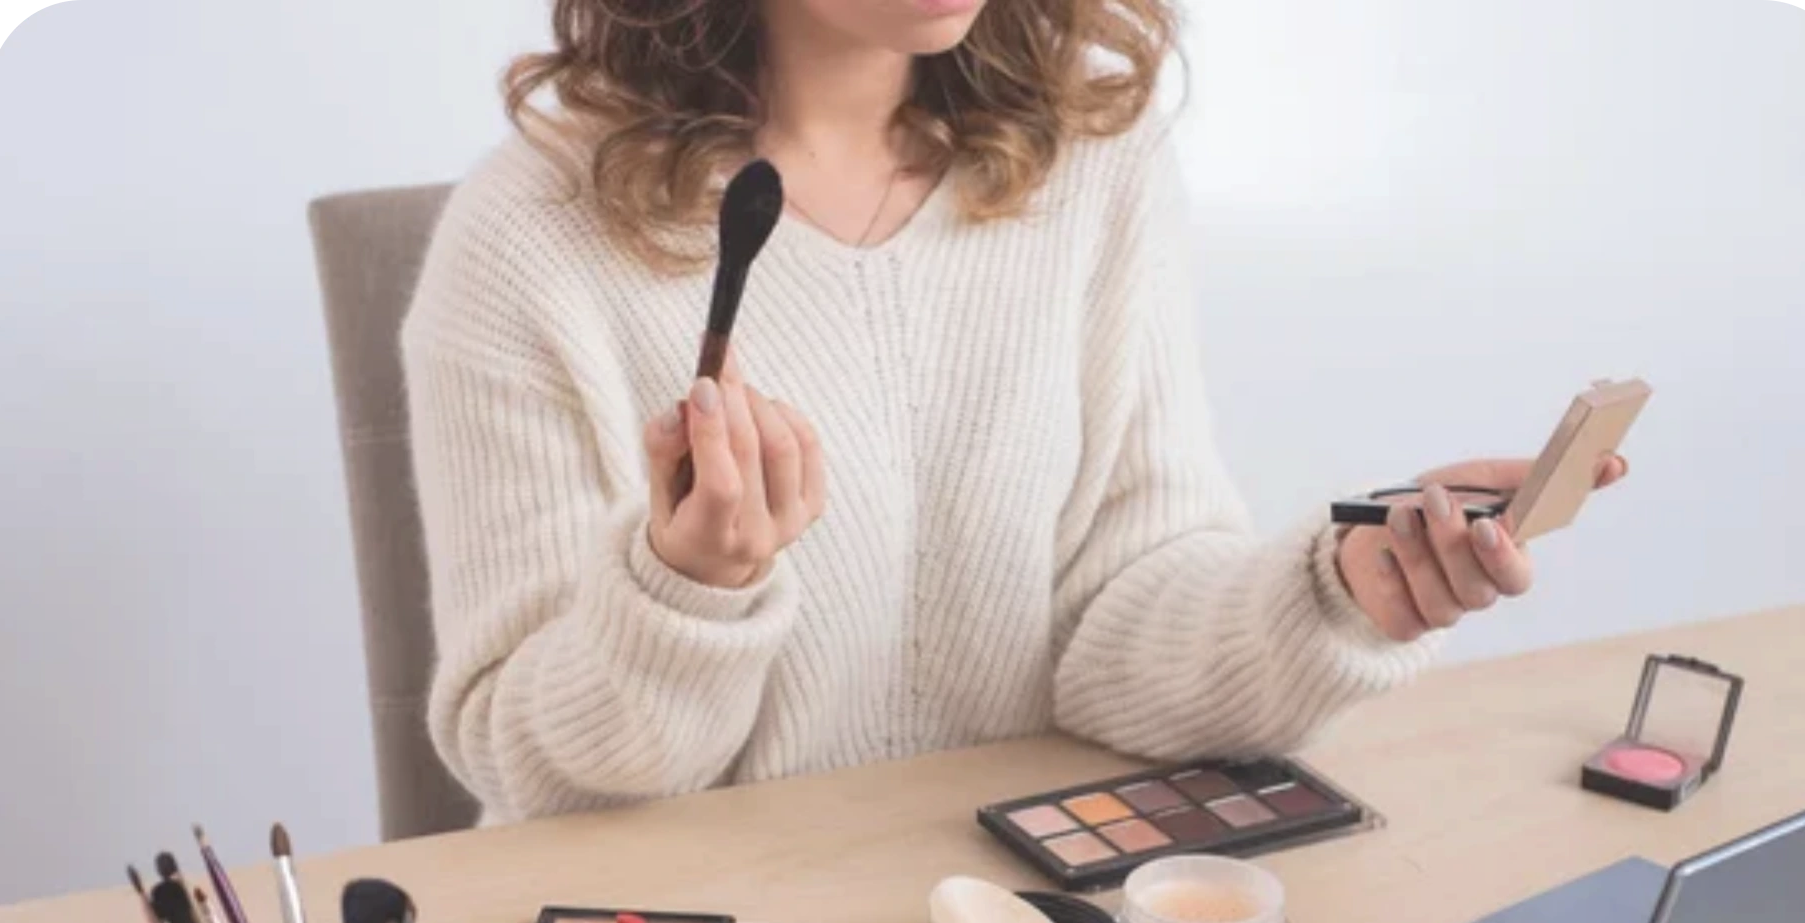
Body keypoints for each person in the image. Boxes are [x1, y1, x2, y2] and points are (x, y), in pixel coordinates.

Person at [400, 0, 1626, 826]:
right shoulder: (531, 238)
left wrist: (1340, 594)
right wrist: (685, 596)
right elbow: (520, 761)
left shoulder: (1092, 160)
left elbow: (1113, 626)